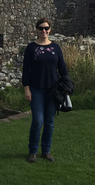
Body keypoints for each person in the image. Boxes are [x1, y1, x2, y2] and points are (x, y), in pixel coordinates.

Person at [22, 17, 69, 163]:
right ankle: (33, 151)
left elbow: (62, 68)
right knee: (38, 121)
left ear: (50, 30)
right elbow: (26, 70)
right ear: (36, 30)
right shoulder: (31, 48)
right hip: (36, 89)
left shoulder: (56, 48)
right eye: (41, 28)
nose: (44, 31)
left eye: (46, 28)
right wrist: (27, 89)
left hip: (52, 90)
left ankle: (46, 151)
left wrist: (67, 85)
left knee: (49, 122)